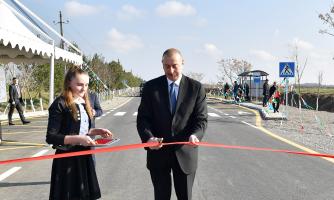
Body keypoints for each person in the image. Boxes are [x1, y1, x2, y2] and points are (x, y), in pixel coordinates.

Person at [137, 48, 208, 200]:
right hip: (158, 153)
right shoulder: (151, 88)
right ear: (162, 65)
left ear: (183, 63)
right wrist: (148, 138)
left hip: (185, 152)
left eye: (175, 65)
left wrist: (195, 135)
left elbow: (201, 119)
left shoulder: (196, 88)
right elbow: (143, 119)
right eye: (166, 66)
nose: (171, 70)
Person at [46, 67, 113, 200]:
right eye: (79, 84)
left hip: (84, 157)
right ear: (69, 83)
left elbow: (82, 131)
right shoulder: (60, 104)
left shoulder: (84, 103)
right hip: (67, 159)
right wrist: (79, 139)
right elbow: (51, 137)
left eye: (86, 85)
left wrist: (97, 131)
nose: (84, 89)